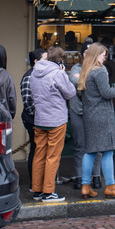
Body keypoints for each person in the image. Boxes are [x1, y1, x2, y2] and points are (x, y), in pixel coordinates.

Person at [79, 43, 115, 199]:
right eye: (102, 54)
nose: (105, 57)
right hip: (102, 116)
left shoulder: (86, 71)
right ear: (96, 55)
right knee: (108, 151)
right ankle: (111, 186)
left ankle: (85, 185)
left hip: (90, 116)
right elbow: (107, 93)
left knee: (91, 151)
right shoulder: (100, 71)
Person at [29, 46, 76, 203]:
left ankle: (37, 190)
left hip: (40, 118)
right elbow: (70, 93)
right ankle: (48, 192)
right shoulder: (57, 73)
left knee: (39, 154)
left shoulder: (34, 73)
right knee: (52, 157)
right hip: (56, 119)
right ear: (60, 61)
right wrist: (63, 74)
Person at [68, 41, 102, 191]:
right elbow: (77, 81)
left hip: (95, 112)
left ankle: (96, 177)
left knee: (97, 146)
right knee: (79, 146)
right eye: (85, 53)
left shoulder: (101, 68)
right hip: (78, 111)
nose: (88, 56)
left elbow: (90, 84)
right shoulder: (75, 68)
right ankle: (80, 177)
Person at [20, 48, 46, 192]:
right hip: (33, 119)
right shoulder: (29, 76)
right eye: (45, 59)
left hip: (40, 119)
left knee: (39, 151)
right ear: (36, 62)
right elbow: (28, 102)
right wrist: (40, 117)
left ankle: (39, 183)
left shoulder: (41, 74)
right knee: (36, 151)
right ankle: (34, 184)